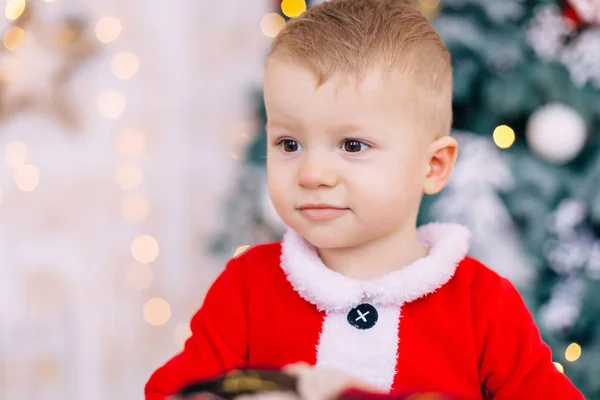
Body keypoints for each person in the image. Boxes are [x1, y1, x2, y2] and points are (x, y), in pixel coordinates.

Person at [145, 1, 584, 399]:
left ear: (432, 167)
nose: (312, 173)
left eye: (353, 145)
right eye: (289, 144)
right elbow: (176, 392)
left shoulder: (483, 303)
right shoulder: (248, 285)